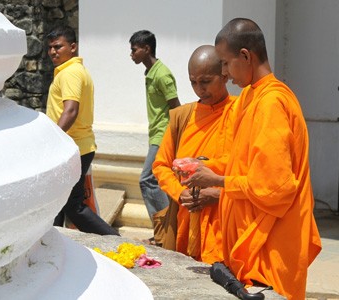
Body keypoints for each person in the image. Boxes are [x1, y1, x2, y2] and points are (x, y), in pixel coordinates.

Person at [182, 18, 322, 299]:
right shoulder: (249, 97)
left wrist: (217, 180)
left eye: (225, 63)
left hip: (272, 242)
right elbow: (242, 161)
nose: (224, 73)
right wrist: (204, 167)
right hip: (248, 239)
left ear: (245, 56)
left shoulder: (272, 102)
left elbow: (275, 187)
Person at [152, 45, 237, 263]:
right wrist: (180, 193)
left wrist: (217, 194)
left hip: (227, 221)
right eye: (193, 82)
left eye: (206, 81)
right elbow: (161, 165)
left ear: (224, 75)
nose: (199, 89)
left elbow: (250, 171)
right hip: (185, 220)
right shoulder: (182, 117)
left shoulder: (241, 112)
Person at [46, 25, 119, 236]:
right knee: (58, 202)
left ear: (73, 47)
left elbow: (70, 110)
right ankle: (53, 241)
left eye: (58, 47)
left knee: (73, 206)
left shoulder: (70, 72)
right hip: (76, 146)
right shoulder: (73, 71)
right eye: (50, 48)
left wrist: (53, 139)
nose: (53, 52)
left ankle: (114, 240)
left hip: (72, 146)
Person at [129, 30, 181, 244]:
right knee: (157, 182)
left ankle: (164, 229)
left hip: (163, 135)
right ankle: (164, 231)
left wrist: (176, 140)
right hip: (156, 135)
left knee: (147, 180)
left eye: (134, 50)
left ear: (146, 49)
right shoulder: (151, 73)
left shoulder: (162, 74)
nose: (131, 54)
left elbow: (176, 108)